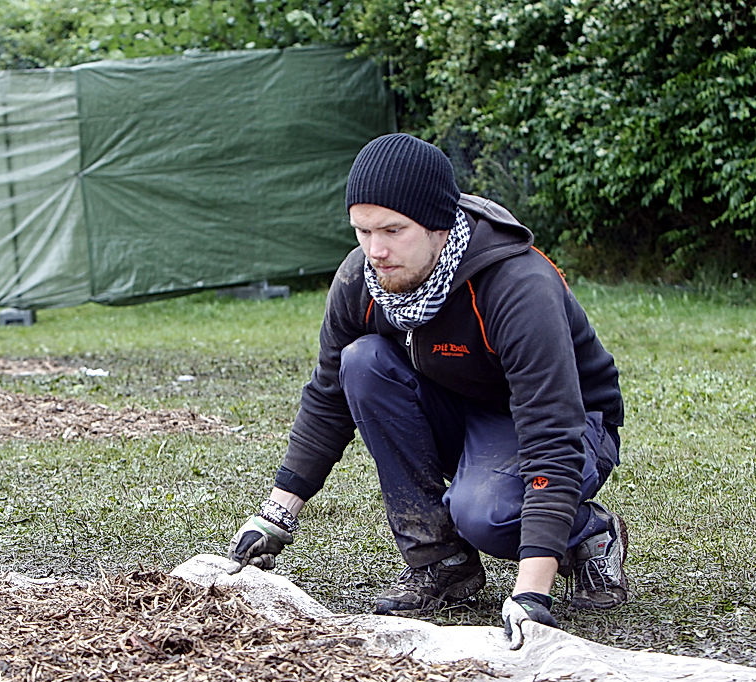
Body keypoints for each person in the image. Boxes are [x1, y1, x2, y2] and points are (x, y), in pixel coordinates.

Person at [227, 133, 628, 649]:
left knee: (486, 513)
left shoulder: (517, 285)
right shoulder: (362, 280)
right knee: (362, 362)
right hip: (462, 411)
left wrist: (531, 593)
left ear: (439, 225)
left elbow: (551, 431)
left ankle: (589, 533)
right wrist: (276, 515)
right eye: (363, 231)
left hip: (570, 426)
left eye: (393, 230)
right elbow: (328, 397)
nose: (376, 250)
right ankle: (442, 561)